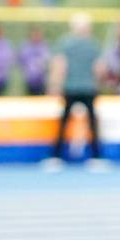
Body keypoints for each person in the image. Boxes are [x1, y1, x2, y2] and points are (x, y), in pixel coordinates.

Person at [43, 13, 108, 170]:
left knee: (64, 122)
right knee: (92, 123)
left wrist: (54, 85)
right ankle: (96, 157)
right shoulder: (93, 44)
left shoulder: (65, 43)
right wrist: (98, 83)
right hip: (88, 88)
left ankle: (56, 156)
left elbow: (60, 66)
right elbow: (99, 69)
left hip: (70, 88)